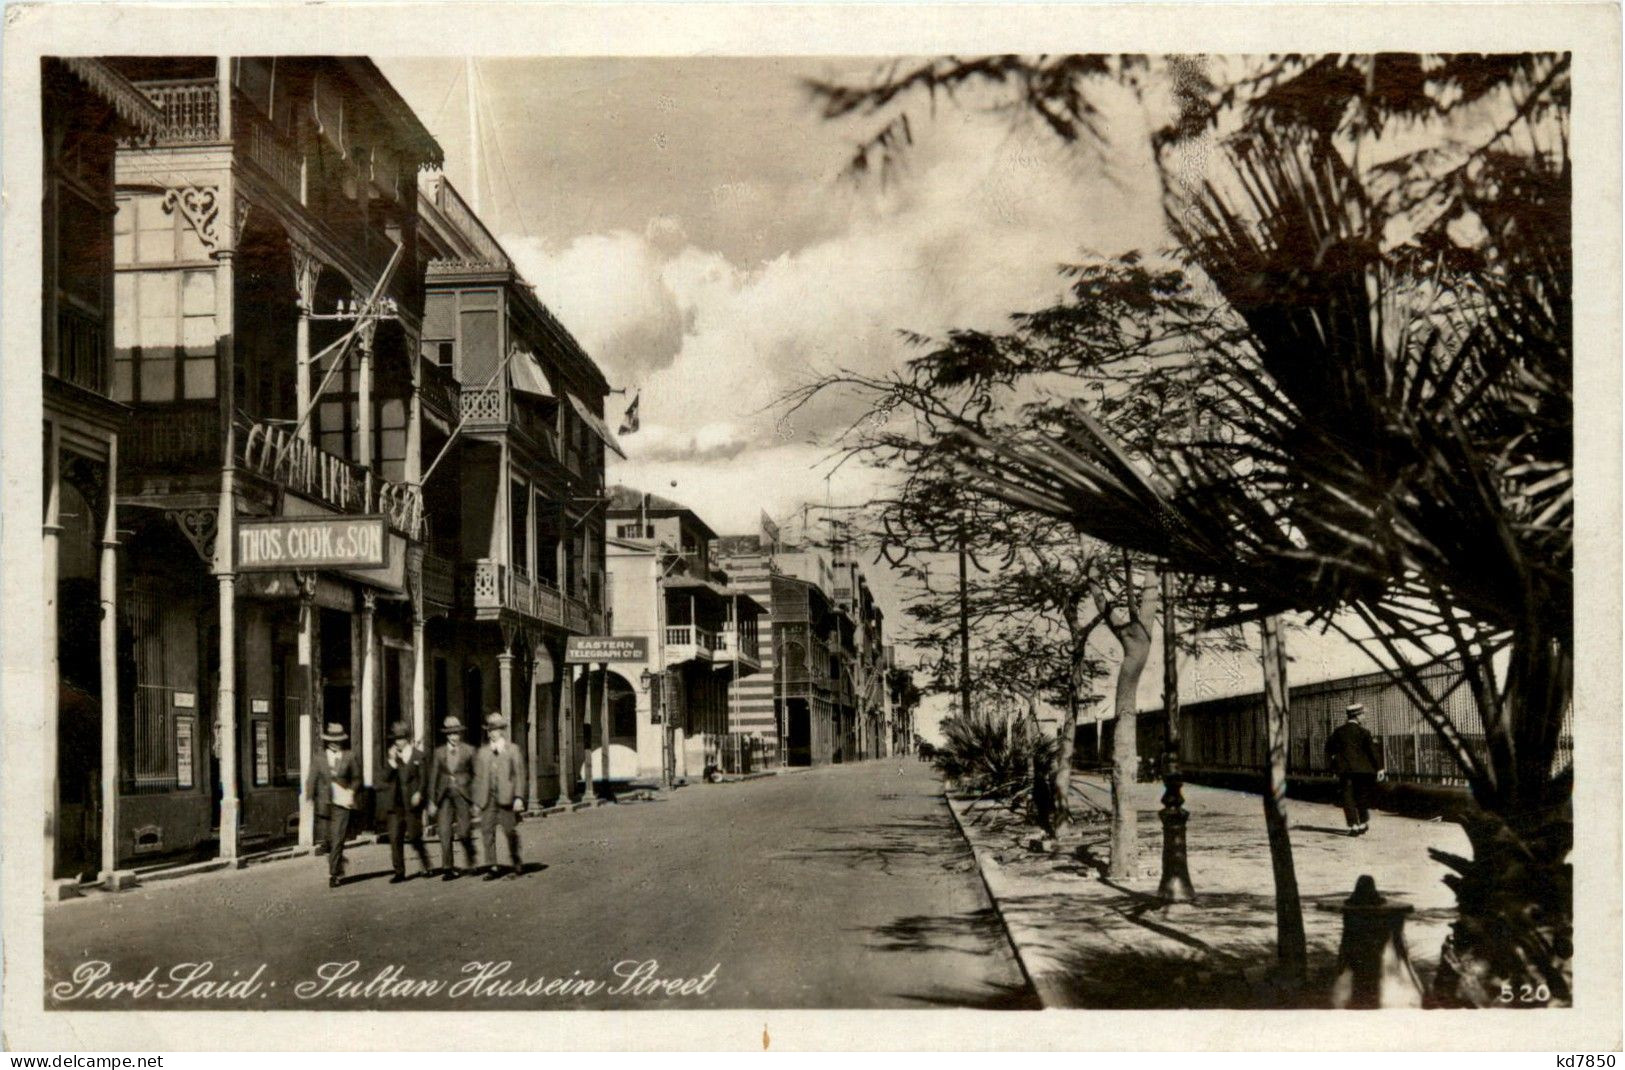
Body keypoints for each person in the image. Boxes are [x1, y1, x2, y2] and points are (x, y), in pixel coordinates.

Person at [471, 712, 527, 879]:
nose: (492, 733)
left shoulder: (512, 750)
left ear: (502, 730)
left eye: (496, 729)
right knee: (487, 831)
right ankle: (492, 866)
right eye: (490, 730)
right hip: (488, 799)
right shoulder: (483, 752)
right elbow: (478, 778)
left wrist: (518, 797)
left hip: (507, 798)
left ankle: (516, 860)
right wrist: (476, 801)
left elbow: (519, 775)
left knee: (510, 831)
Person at [377, 720, 431, 882]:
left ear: (407, 739)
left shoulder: (418, 756)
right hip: (395, 804)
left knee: (415, 837)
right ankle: (399, 871)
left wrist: (419, 793)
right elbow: (384, 778)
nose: (398, 742)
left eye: (401, 738)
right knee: (395, 838)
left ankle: (425, 864)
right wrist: (392, 761)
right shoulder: (392, 758)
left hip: (412, 804)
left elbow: (424, 779)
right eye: (395, 739)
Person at [308, 722, 360, 888]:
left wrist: (351, 791)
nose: (334, 743)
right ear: (327, 741)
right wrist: (309, 797)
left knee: (337, 839)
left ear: (342, 741)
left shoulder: (350, 756)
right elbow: (312, 779)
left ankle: (334, 874)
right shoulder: (318, 758)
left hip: (342, 804)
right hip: (324, 804)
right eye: (331, 740)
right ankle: (338, 861)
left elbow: (357, 778)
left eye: (337, 740)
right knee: (328, 841)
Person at [426, 715, 477, 880]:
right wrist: (432, 801)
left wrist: (476, 801)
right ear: (446, 735)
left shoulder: (469, 750)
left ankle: (471, 862)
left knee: (464, 832)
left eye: (456, 733)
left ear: (460, 734)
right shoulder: (439, 752)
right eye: (450, 734)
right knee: (444, 832)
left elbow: (476, 776)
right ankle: (447, 868)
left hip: (463, 796)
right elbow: (433, 777)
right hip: (444, 797)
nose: (454, 736)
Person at [1326, 703, 1386, 836]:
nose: (1364, 717)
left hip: (1345, 770)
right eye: (1362, 714)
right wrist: (1380, 768)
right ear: (1357, 716)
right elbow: (1373, 752)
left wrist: (1335, 762)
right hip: (1363, 771)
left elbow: (1329, 748)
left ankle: (1353, 825)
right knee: (1361, 796)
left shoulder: (1338, 732)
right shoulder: (1364, 732)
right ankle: (1363, 822)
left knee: (1347, 797)